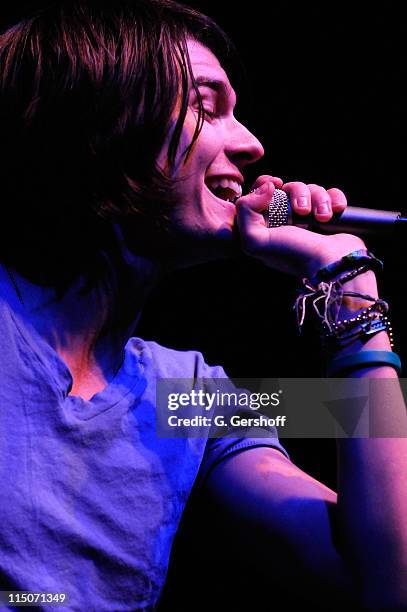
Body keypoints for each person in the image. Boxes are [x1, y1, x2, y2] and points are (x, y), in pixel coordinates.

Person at [0, 1, 406, 610]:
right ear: (97, 120)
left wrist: (350, 291)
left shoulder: (190, 397)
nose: (252, 144)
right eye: (203, 105)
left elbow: (383, 582)